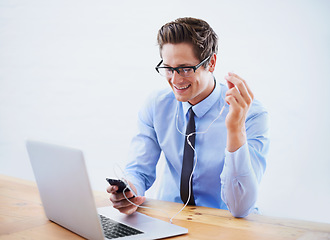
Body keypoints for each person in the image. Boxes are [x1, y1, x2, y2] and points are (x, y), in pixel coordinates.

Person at [107, 17, 269, 218]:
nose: (175, 80)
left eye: (184, 69)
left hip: (226, 224)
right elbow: (138, 171)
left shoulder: (251, 115)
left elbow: (240, 209)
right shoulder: (157, 105)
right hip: (170, 219)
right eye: (168, 68)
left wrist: (236, 129)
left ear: (211, 63)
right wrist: (128, 191)